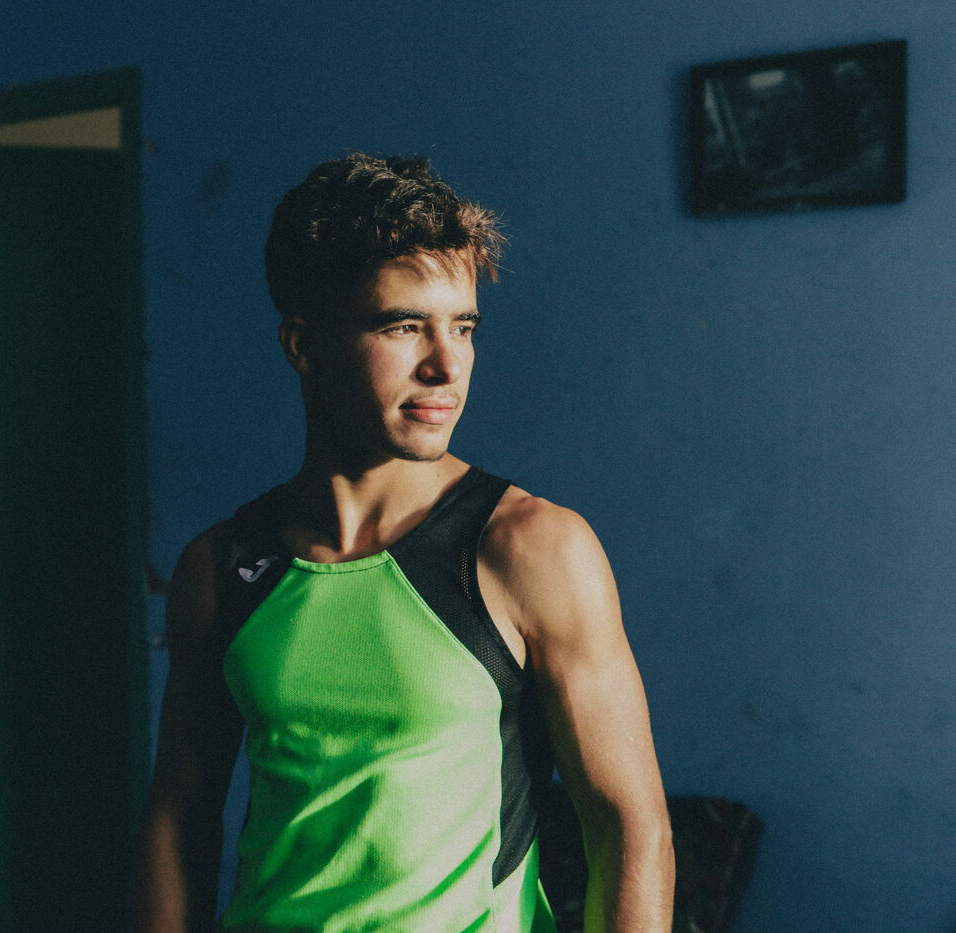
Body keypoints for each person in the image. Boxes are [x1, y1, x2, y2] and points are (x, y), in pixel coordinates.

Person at [133, 153, 673, 932]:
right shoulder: (221, 568)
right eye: (404, 326)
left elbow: (630, 827)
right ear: (303, 344)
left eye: (463, 327)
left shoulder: (531, 549)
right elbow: (179, 815)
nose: (446, 365)